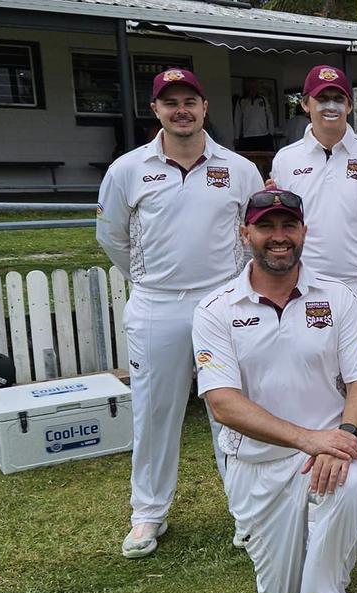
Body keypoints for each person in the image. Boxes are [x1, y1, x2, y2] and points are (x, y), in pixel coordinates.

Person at [192, 188, 357, 593]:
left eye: (288, 226)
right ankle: (310, 555)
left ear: (303, 232)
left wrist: (346, 436)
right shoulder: (216, 308)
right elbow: (223, 405)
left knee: (349, 487)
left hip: (329, 454)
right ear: (245, 233)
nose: (279, 238)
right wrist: (306, 438)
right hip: (259, 464)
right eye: (266, 227)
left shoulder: (338, 298)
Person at [97, 68, 264, 559]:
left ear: (205, 106)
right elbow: (112, 237)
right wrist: (152, 278)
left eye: (190, 100)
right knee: (154, 413)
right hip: (157, 304)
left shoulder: (237, 168)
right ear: (156, 110)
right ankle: (148, 513)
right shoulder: (128, 169)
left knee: (233, 414)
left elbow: (250, 232)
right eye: (170, 103)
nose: (181, 110)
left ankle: (248, 514)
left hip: (222, 304)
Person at [272, 65, 357, 526]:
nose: (330, 105)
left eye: (339, 98)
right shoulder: (287, 160)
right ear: (305, 103)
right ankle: (318, 478)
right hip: (308, 289)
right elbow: (282, 230)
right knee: (316, 387)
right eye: (321, 97)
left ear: (350, 105)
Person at [234, 79, 276, 151]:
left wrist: (271, 133)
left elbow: (269, 116)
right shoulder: (241, 101)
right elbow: (237, 120)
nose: (252, 89)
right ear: (246, 88)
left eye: (254, 87)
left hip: (264, 136)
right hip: (247, 137)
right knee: (249, 160)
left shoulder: (263, 99)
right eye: (250, 87)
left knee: (265, 160)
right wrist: (236, 137)